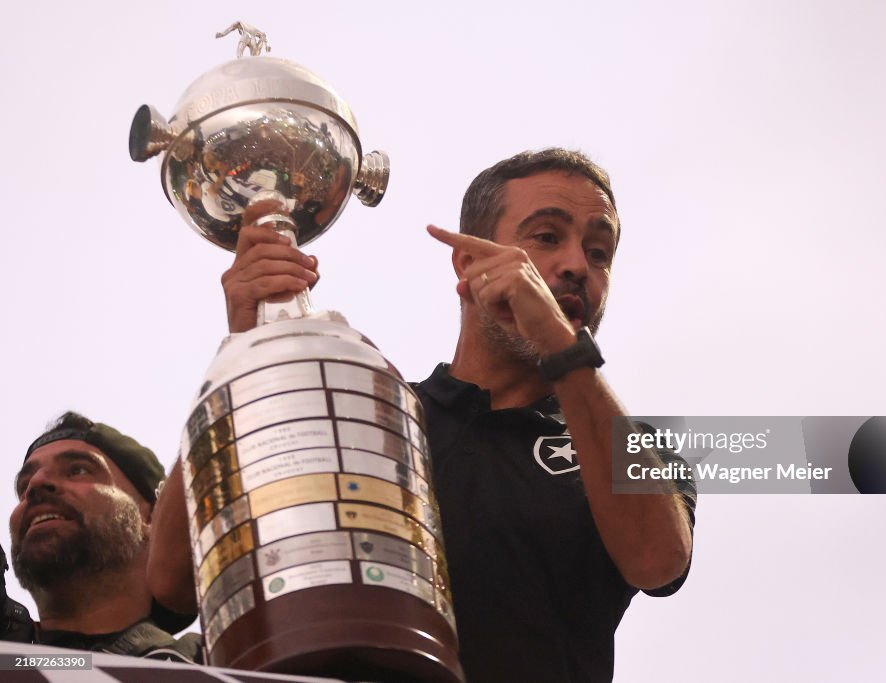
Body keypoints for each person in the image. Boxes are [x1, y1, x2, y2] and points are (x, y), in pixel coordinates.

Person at [150, 148, 695, 682]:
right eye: (547, 237)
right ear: (468, 260)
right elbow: (173, 585)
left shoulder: (633, 446)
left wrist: (561, 345)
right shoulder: (370, 416)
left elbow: (657, 560)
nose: (577, 265)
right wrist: (242, 354)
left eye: (599, 253)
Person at [10, 411, 201, 661]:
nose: (36, 484)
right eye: (24, 486)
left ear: (151, 519)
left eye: (78, 470)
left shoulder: (218, 660)